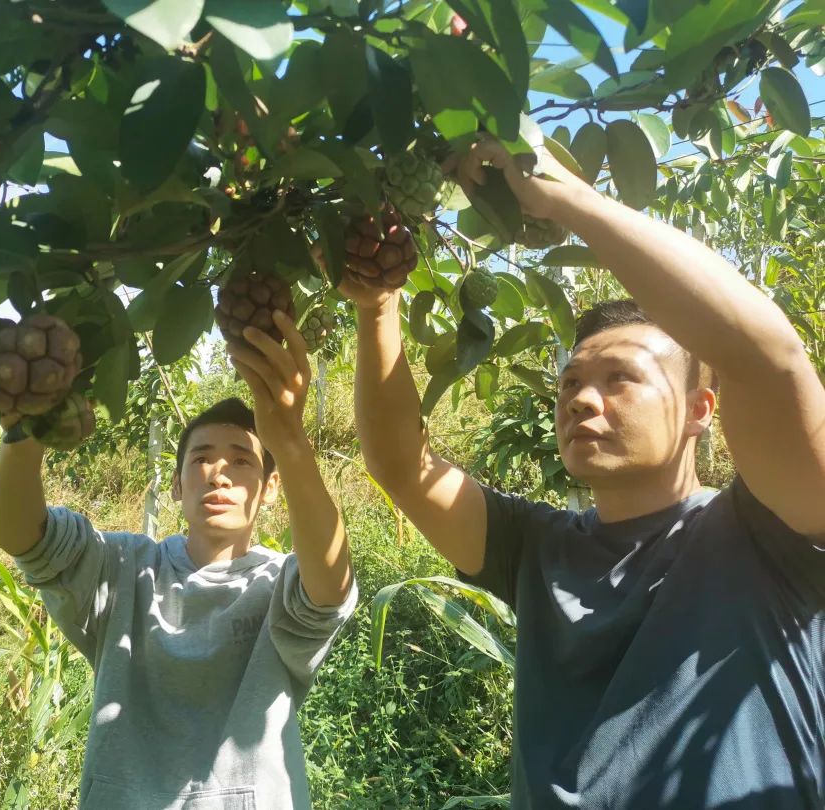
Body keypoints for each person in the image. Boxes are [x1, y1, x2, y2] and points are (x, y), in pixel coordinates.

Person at [343, 134, 825, 809]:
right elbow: (402, 465)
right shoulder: (535, 547)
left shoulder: (770, 530)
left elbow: (770, 360)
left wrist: (574, 203)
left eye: (621, 378)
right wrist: (378, 303)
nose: (581, 400)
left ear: (700, 410)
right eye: (570, 383)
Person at [0, 311, 356, 810]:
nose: (218, 473)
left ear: (270, 489)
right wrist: (28, 421)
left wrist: (289, 440)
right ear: (178, 485)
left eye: (242, 460)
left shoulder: (281, 581)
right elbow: (20, 534)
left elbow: (330, 589)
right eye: (201, 458)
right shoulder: (125, 568)